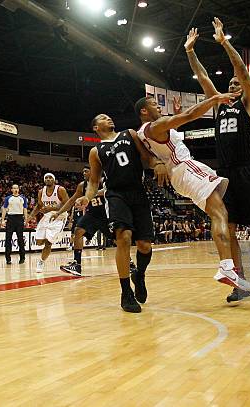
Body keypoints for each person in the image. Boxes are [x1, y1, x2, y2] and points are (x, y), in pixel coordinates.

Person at [185, 19, 250, 305]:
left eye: (236, 84)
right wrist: (190, 53)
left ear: (243, 89)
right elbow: (205, 79)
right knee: (228, 230)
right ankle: (240, 283)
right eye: (228, 84)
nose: (232, 85)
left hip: (247, 172)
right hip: (225, 176)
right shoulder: (219, 107)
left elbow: (242, 72)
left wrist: (224, 43)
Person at [135, 92, 250, 294]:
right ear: (144, 111)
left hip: (180, 174)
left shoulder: (145, 132)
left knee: (221, 212)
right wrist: (214, 100)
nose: (160, 107)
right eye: (155, 104)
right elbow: (189, 116)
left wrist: (177, 113)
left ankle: (229, 266)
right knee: (220, 214)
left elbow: (171, 135)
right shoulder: (154, 126)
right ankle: (226, 267)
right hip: (186, 168)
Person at [56, 114, 168, 312]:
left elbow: (146, 157)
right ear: (95, 127)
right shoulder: (95, 151)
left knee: (144, 245)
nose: (108, 119)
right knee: (123, 237)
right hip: (116, 194)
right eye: (102, 118)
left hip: (138, 192)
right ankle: (126, 292)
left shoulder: (130, 134)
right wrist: (87, 197)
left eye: (109, 117)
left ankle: (139, 275)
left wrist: (157, 164)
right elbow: (93, 181)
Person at [54, 166, 111, 276]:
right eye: (83, 171)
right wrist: (58, 212)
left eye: (86, 171)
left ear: (93, 171)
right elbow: (71, 200)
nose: (83, 173)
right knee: (78, 230)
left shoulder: (102, 180)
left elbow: (106, 190)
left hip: (105, 214)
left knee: (117, 239)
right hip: (91, 214)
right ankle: (77, 264)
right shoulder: (82, 185)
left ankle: (129, 263)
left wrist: (88, 195)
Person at [27, 173, 69, 273]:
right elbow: (39, 205)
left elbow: (68, 205)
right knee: (38, 242)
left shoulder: (60, 190)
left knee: (48, 243)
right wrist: (30, 217)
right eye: (46, 177)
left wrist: (51, 208)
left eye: (50, 178)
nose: (48, 179)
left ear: (54, 180)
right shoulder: (41, 191)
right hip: (47, 217)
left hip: (59, 217)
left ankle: (41, 262)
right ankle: (44, 250)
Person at [1, 184, 28, 265]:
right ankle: (8, 259)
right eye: (14, 188)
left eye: (17, 188)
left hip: (20, 219)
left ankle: (22, 258)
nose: (15, 189)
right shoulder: (8, 198)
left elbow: (25, 209)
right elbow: (5, 209)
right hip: (10, 219)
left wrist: (26, 220)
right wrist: (2, 220)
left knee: (20, 240)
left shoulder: (23, 198)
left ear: (18, 189)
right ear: (11, 189)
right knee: (8, 239)